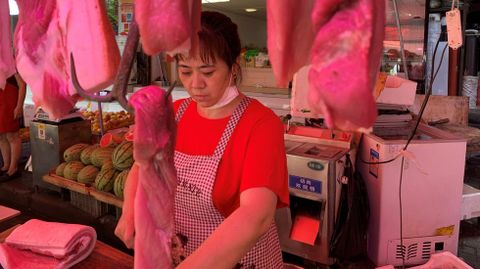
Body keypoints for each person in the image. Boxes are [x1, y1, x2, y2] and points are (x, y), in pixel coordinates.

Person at [171, 11, 289, 269]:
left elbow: (256, 215)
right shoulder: (174, 113)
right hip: (181, 255)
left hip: (242, 261)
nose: (195, 84)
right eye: (185, 71)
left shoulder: (260, 123)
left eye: (208, 72)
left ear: (233, 68)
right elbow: (143, 167)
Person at [0, 73, 26, 181]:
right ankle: (6, 166)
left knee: (12, 136)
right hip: (1, 102)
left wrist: (19, 106)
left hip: (10, 103)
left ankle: (13, 169)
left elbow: (22, 84)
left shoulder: (10, 63)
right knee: (1, 136)